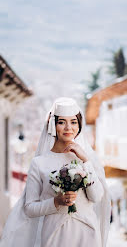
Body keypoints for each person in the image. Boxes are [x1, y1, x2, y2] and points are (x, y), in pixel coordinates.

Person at [0, 98, 111, 247]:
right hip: (55, 234)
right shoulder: (39, 163)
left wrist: (85, 160)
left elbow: (96, 196)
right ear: (52, 125)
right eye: (61, 122)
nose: (68, 128)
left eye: (73, 122)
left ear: (79, 125)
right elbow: (29, 208)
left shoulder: (87, 159)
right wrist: (56, 202)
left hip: (87, 232)